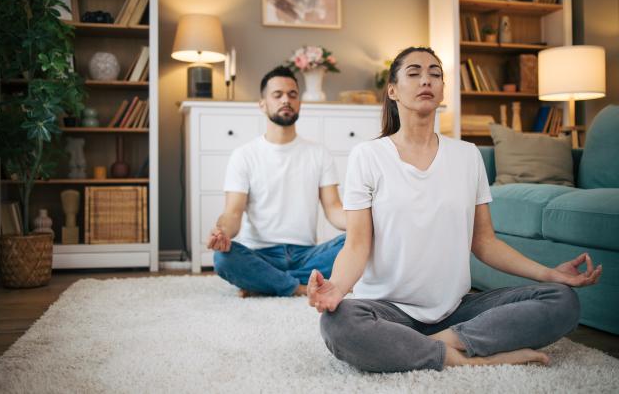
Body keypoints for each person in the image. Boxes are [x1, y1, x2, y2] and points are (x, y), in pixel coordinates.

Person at [307, 46, 602, 372]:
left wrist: (550, 273)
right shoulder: (368, 156)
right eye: (415, 72)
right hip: (387, 311)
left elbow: (485, 243)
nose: (427, 80)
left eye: (435, 74)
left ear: (443, 90)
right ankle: (465, 356)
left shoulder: (467, 155)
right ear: (392, 90)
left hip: (456, 311)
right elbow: (357, 245)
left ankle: (436, 345)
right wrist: (337, 286)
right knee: (339, 324)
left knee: (562, 301)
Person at [209, 66, 346, 297]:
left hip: (308, 255)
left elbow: (334, 209)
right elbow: (233, 213)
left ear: (300, 103)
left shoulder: (319, 153)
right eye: (278, 95)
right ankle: (301, 287)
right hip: (261, 254)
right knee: (223, 258)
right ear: (262, 104)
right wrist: (221, 231)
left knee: (360, 242)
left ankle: (265, 283)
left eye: (293, 95)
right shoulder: (244, 155)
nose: (286, 100)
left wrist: (364, 224)